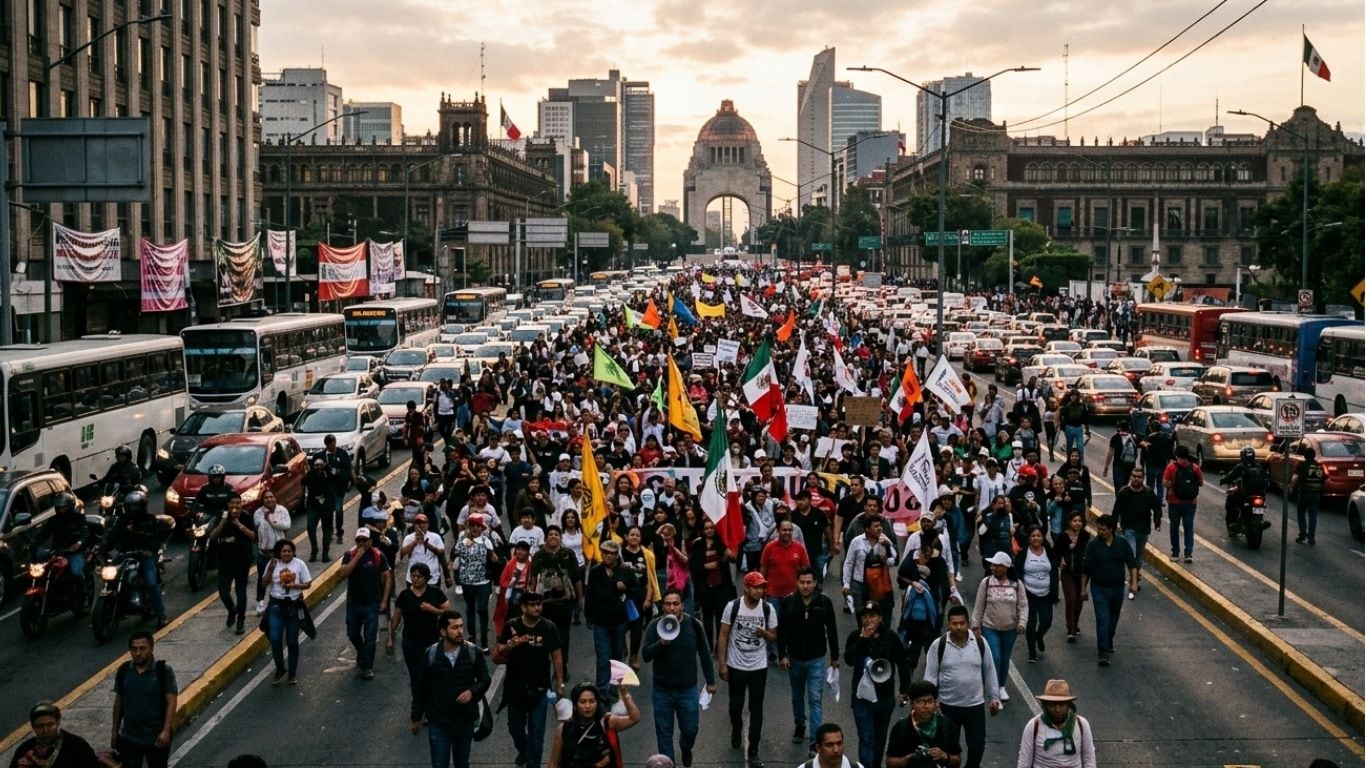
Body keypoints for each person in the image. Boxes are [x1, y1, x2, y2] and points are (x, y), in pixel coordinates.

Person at [642, 589, 716, 767]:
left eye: (676, 604)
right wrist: (661, 643)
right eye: (668, 604)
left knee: (691, 729)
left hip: (687, 690)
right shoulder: (655, 626)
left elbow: (705, 653)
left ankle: (685, 747)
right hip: (662, 691)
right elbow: (645, 655)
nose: (672, 608)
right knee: (664, 735)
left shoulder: (694, 625)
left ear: (682, 606)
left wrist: (711, 681)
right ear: (663, 607)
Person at [409, 610, 492, 768]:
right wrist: (416, 717)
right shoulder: (431, 654)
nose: (460, 631)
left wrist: (472, 692)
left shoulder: (473, 652)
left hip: (464, 721)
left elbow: (485, 679)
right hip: (439, 721)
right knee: (439, 763)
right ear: (443, 632)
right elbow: (421, 687)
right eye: (454, 627)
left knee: (462, 763)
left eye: (461, 626)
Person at [923, 606, 1000, 768]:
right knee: (948, 749)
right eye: (954, 623)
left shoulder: (980, 643)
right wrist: (932, 702)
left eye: (962, 623)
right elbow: (930, 676)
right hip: (947, 707)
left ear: (968, 623)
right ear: (948, 624)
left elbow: (989, 670)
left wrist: (994, 698)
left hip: (974, 706)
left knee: (977, 745)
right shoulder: (939, 645)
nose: (958, 627)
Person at [495, 592, 565, 768]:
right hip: (515, 688)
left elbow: (557, 655)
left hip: (540, 688)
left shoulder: (548, 627)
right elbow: (500, 649)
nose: (537, 608)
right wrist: (510, 645)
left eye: (539, 604)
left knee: (537, 733)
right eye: (532, 605)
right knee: (515, 728)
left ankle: (533, 764)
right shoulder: (512, 625)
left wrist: (560, 683)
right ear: (523, 607)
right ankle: (524, 750)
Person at [717, 571, 778, 768]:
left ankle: (753, 750)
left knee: (756, 708)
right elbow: (723, 635)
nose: (759, 591)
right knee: (735, 707)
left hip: (758, 667)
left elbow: (773, 636)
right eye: (755, 587)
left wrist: (764, 634)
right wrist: (722, 664)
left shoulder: (768, 609)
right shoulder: (733, 607)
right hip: (736, 665)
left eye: (762, 587)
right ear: (746, 588)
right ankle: (736, 728)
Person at [778, 567, 841, 754]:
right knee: (797, 697)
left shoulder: (824, 602)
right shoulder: (789, 603)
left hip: (816, 659)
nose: (805, 586)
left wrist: (835, 656)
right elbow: (782, 631)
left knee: (815, 699)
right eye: (802, 582)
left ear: (815, 583)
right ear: (797, 583)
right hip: (795, 659)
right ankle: (800, 724)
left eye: (809, 582)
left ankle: (815, 742)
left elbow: (832, 629)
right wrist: (782, 655)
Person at [845, 602, 911, 768]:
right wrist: (863, 640)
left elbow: (902, 663)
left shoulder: (890, 638)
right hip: (862, 699)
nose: (868, 620)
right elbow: (849, 660)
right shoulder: (855, 636)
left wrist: (904, 689)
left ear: (880, 618)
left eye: (872, 616)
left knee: (880, 739)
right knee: (866, 738)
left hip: (884, 698)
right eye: (865, 617)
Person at [111, 630, 178, 768]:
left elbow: (171, 702)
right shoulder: (124, 670)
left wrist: (166, 731)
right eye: (134, 649)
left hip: (156, 738)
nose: (138, 653)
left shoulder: (163, 671)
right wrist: (115, 731)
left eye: (142, 648)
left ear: (151, 648)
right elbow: (119, 702)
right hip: (130, 737)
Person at [103, 488, 168, 629]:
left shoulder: (150, 520)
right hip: (125, 554)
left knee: (151, 583)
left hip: (144, 555)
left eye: (135, 505)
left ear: (141, 505)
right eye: (130, 506)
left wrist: (149, 550)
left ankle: (161, 614)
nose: (132, 508)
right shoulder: (123, 520)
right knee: (109, 574)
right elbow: (112, 536)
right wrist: (103, 549)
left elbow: (157, 538)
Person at [1079, 515, 1138, 667]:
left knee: (1113, 617)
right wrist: (1083, 589)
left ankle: (1109, 637)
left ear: (1111, 529)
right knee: (1102, 618)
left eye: (1104, 529)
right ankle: (1103, 651)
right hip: (1099, 587)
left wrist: (1133, 582)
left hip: (1117, 588)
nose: (1100, 532)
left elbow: (1132, 564)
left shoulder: (1122, 543)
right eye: (1099, 529)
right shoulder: (1093, 545)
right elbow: (1086, 569)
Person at [969, 552, 1026, 705]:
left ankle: (1001, 686)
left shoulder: (1017, 584)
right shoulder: (986, 583)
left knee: (1005, 658)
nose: (994, 568)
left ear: (1006, 567)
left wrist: (1022, 622)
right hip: (990, 627)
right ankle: (993, 689)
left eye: (998, 566)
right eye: (993, 565)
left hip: (1010, 628)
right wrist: (975, 625)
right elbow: (979, 605)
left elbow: (1023, 605)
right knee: (995, 657)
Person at [584, 539, 640, 696]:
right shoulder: (596, 572)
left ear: (616, 555)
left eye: (611, 553)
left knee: (617, 656)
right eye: (605, 553)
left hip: (619, 621)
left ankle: (615, 688)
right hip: (601, 621)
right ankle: (602, 691)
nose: (607, 556)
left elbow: (637, 590)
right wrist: (588, 615)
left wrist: (626, 588)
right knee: (603, 657)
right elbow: (591, 594)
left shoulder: (625, 571)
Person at [390, 562, 451, 699]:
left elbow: (448, 611)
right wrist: (390, 638)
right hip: (411, 641)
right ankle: (417, 703)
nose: (416, 579)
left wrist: (433, 610)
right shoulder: (405, 595)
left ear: (426, 578)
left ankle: (432, 700)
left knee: (432, 672)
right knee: (415, 674)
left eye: (419, 576)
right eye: (413, 576)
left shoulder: (435, 592)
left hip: (432, 640)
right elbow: (396, 618)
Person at [546, 683, 640, 768]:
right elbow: (553, 763)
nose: (588, 706)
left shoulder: (607, 722)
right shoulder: (563, 729)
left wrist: (625, 695)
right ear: (575, 705)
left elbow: (634, 718)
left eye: (592, 701)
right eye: (582, 702)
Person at [340, 528, 393, 681]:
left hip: (371, 602)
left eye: (365, 540)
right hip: (354, 602)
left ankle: (368, 666)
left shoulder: (378, 556)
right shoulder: (349, 555)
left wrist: (384, 600)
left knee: (370, 635)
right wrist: (357, 556)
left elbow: (387, 578)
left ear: (370, 541)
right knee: (352, 632)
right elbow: (343, 573)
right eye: (359, 540)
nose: (362, 543)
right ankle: (361, 651)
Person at [530, 525, 584, 667]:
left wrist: (580, 599)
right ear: (546, 538)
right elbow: (533, 579)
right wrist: (532, 601)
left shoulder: (568, 554)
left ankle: (562, 667)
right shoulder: (538, 556)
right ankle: (544, 667)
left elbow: (576, 578)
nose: (553, 536)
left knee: (563, 636)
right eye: (550, 534)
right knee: (543, 636)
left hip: (565, 603)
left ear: (560, 538)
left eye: (556, 534)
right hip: (545, 603)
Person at [262, 539, 312, 684]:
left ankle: (292, 673)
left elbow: (308, 584)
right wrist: (270, 571)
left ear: (293, 552)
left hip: (293, 607)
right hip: (276, 606)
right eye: (284, 551)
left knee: (292, 641)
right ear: (279, 553)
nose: (286, 554)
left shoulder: (299, 564)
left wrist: (294, 586)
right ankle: (280, 669)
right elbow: (263, 584)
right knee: (275, 639)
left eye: (289, 551)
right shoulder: (272, 564)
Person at [1014, 680, 1096, 768]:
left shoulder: (1082, 724)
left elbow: (1089, 759)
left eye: (1062, 705)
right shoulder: (1033, 726)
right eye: (1052, 705)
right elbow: (1024, 762)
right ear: (1045, 706)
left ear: (1068, 705)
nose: (1057, 710)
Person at [885, 680, 963, 768]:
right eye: (920, 702)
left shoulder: (947, 725)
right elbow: (889, 762)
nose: (926, 706)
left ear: (935, 703)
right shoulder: (901, 727)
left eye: (930, 701)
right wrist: (909, 758)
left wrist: (944, 756)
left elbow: (957, 761)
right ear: (912, 704)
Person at [451, 513, 500, 651]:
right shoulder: (462, 540)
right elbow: (454, 554)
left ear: (482, 528)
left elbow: (494, 559)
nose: (474, 529)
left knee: (482, 609)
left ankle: (484, 641)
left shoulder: (486, 541)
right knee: (470, 608)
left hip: (483, 581)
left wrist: (494, 558)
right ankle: (472, 636)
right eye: (472, 526)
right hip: (467, 581)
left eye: (477, 526)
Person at [1111, 468, 1161, 600]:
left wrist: (1157, 522)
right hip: (1129, 529)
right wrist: (1114, 525)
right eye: (1134, 476)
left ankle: (1135, 575)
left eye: (1139, 477)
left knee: (1139, 556)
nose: (1136, 479)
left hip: (1143, 529)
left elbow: (1156, 508)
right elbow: (1116, 510)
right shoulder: (1124, 492)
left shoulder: (1148, 492)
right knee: (1132, 555)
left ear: (1143, 478)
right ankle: (1133, 581)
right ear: (1130, 477)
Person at [1011, 527, 1058, 664]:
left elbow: (1054, 572)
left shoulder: (1049, 553)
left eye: (1038, 536)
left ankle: (1039, 636)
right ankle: (1032, 653)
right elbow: (1016, 571)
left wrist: (1054, 591)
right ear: (1029, 538)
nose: (1036, 538)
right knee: (1030, 625)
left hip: (1046, 595)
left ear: (1043, 538)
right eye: (1033, 536)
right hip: (1028, 594)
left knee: (1047, 621)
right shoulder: (1023, 553)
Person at [211, 495, 256, 634]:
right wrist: (223, 522)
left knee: (240, 591)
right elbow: (212, 535)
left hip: (242, 560)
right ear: (228, 505)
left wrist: (239, 525)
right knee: (223, 592)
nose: (235, 506)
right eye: (232, 503)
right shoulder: (221, 516)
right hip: (225, 560)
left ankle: (240, 621)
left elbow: (253, 536)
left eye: (238, 503)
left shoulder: (246, 516)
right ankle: (232, 610)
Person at [842, 516, 898, 626]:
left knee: (882, 613)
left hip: (880, 583)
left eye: (880, 526)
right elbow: (849, 563)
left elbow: (892, 561)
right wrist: (846, 583)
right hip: (860, 584)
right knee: (862, 614)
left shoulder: (885, 540)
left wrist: (887, 547)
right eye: (876, 526)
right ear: (867, 529)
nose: (879, 528)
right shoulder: (856, 542)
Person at [11, 702, 99, 768]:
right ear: (33, 727)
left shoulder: (78, 746)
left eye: (50, 725)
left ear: (58, 722)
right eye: (40, 726)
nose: (45, 730)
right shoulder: (24, 750)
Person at [251, 491, 291, 614]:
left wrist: (272, 521)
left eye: (271, 497)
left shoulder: (282, 510)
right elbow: (256, 529)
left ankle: (285, 600)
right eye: (266, 498)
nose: (269, 499)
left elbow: (287, 526)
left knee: (284, 576)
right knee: (262, 578)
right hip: (264, 552)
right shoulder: (258, 513)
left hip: (279, 553)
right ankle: (260, 602)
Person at [1162, 445, 1203, 563]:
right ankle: (1188, 553)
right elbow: (1201, 483)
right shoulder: (1195, 467)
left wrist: (1174, 484)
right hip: (1191, 502)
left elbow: (1164, 483)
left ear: (1177, 456)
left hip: (1174, 502)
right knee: (1188, 527)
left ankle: (1175, 553)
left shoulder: (1171, 467)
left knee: (1174, 527)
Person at [1221, 446, 1270, 537]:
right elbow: (1267, 479)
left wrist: (1223, 480)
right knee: (1261, 504)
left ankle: (1232, 524)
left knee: (1230, 503)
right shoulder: (1259, 466)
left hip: (1245, 495)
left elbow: (1229, 477)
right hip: (1260, 495)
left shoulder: (1240, 467)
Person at [316, 435, 355, 545]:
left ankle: (339, 533)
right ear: (327, 445)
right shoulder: (321, 456)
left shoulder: (342, 454)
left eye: (334, 444)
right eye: (331, 445)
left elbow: (347, 469)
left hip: (338, 488)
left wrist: (350, 480)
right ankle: (329, 532)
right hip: (326, 489)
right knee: (327, 513)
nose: (333, 447)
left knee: (338, 510)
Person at [44, 492, 89, 581]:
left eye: (63, 507)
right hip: (58, 552)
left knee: (76, 571)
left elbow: (85, 533)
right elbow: (43, 534)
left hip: (75, 552)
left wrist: (78, 543)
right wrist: (33, 545)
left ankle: (83, 587)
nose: (61, 510)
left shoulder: (78, 518)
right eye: (59, 507)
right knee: (44, 571)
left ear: (70, 506)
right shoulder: (53, 520)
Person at [1290, 445, 1326, 545]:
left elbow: (1295, 478)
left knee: (1301, 513)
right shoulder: (1319, 466)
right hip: (1316, 494)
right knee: (1312, 516)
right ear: (1314, 456)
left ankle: (1302, 534)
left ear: (1305, 456)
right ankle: (1311, 538)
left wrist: (1292, 489)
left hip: (1304, 493)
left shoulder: (1302, 465)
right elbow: (1323, 479)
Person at [401, 514, 449, 588]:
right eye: (418, 523)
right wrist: (415, 542)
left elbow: (441, 552)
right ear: (414, 525)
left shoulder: (435, 537)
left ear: (427, 524)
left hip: (432, 578)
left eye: (423, 523)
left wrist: (426, 544)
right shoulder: (409, 538)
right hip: (414, 579)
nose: (421, 525)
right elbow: (402, 553)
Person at [303, 459, 336, 561]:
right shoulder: (311, 474)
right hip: (313, 505)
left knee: (327, 530)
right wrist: (310, 472)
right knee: (310, 527)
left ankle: (325, 553)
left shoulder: (328, 474)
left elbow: (337, 477)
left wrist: (329, 469)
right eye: (316, 465)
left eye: (321, 465)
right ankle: (314, 549)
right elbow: (303, 482)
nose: (319, 467)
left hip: (327, 506)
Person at [1101, 420, 1140, 490]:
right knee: (1125, 487)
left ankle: (1120, 496)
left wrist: (1106, 468)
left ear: (1119, 428)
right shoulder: (1133, 438)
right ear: (1128, 428)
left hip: (1118, 466)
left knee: (1119, 488)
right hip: (1130, 466)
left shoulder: (1115, 438)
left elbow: (1110, 454)